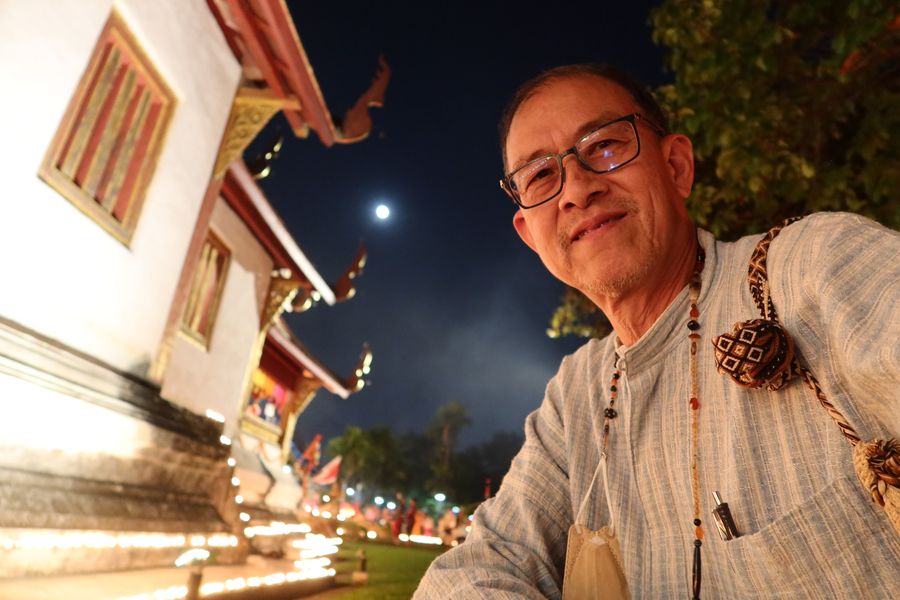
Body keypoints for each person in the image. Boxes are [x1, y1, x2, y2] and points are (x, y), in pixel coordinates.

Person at [414, 63, 900, 598]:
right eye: (541, 176)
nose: (576, 189)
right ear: (531, 236)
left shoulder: (812, 270)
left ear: (676, 167)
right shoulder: (578, 395)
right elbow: (477, 570)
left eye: (603, 145)